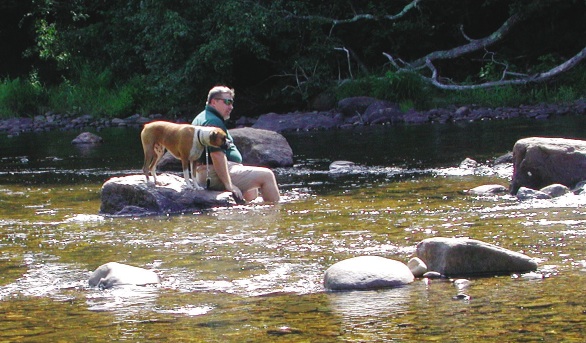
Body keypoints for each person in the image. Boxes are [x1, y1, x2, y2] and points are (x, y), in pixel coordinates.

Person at [192, 86, 280, 203]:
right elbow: (216, 155)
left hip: (208, 172)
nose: (231, 107)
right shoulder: (212, 122)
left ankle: (250, 214)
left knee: (252, 187)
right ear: (214, 102)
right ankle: (277, 215)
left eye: (232, 103)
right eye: (227, 102)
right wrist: (229, 185)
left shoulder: (204, 117)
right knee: (267, 175)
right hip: (212, 174)